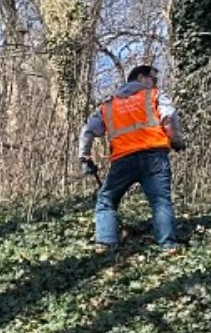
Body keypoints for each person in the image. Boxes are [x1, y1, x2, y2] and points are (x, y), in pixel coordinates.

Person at [78, 63, 185, 252]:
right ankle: (168, 245)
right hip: (155, 156)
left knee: (107, 200)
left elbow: (88, 130)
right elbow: (170, 116)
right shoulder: (154, 95)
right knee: (160, 201)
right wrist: (175, 140)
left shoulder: (109, 105)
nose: (155, 83)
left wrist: (84, 155)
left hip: (123, 160)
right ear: (141, 78)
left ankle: (105, 244)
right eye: (153, 78)